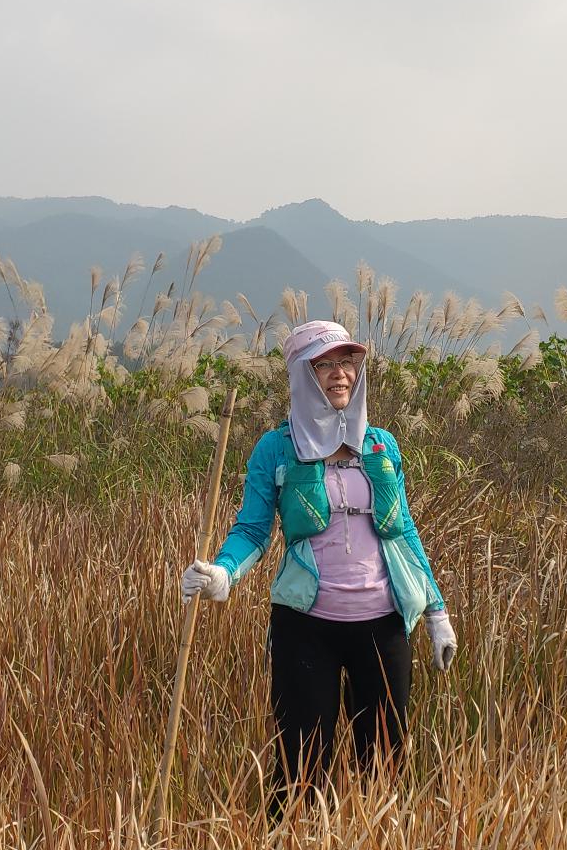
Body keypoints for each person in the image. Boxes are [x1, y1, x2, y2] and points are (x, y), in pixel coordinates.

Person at [180, 319, 458, 818]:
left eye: (348, 362)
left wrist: (436, 613)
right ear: (301, 375)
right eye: (324, 364)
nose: (340, 374)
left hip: (385, 623)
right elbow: (252, 530)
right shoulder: (277, 449)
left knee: (386, 768)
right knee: (299, 772)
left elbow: (405, 531)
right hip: (306, 628)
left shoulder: (382, 446)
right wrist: (223, 573)